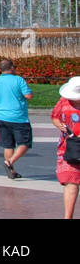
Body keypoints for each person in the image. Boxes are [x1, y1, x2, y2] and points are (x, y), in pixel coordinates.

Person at [0, 58, 33, 179]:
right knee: (24, 143)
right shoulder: (18, 80)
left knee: (8, 145)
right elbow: (28, 95)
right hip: (18, 117)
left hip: (0, 117)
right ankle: (10, 162)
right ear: (11, 67)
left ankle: (11, 170)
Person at [50, 76, 80, 218]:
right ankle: (68, 216)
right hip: (68, 147)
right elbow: (55, 117)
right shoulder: (63, 101)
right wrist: (61, 126)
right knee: (71, 181)